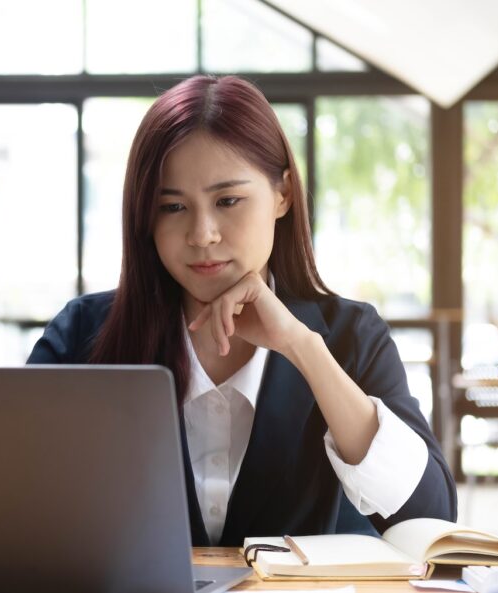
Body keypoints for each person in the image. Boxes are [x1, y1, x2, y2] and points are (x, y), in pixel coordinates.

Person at [27, 75, 456, 547]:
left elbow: (430, 517)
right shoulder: (85, 334)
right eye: (172, 207)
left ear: (283, 195)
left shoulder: (350, 338)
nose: (202, 234)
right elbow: (8, 499)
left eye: (227, 200)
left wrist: (302, 348)